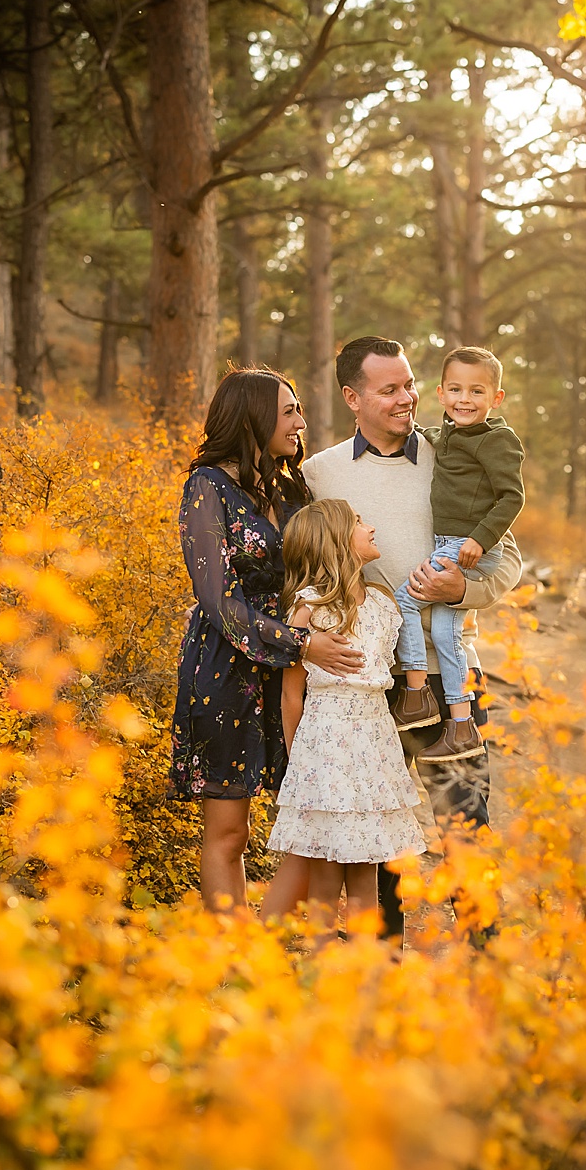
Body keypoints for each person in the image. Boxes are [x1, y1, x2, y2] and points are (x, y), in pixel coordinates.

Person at [301, 335, 523, 939]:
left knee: (465, 822)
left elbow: (508, 560)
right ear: (353, 397)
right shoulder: (318, 474)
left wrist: (463, 592)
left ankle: (487, 961)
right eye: (389, 389)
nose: (408, 398)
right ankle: (385, 963)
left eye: (410, 384)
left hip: (449, 672)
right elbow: (304, 567)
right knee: (379, 833)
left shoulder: (451, 453)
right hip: (368, 683)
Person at [168, 369, 365, 915]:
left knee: (304, 818)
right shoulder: (207, 487)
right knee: (229, 830)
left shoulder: (292, 488)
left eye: (299, 409)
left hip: (294, 675)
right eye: (289, 411)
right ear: (253, 416)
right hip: (226, 669)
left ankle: (273, 936)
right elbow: (217, 599)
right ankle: (228, 957)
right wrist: (300, 643)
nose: (301, 422)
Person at [264, 499, 424, 932]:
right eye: (358, 522)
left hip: (373, 747)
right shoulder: (309, 609)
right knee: (326, 869)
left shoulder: (382, 605)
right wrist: (300, 766)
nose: (371, 527)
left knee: (367, 864)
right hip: (325, 751)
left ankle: (363, 978)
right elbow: (290, 695)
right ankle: (320, 965)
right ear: (337, 543)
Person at [389, 346, 525, 764]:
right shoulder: (449, 434)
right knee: (448, 637)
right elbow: (437, 438)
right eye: (456, 390)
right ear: (442, 395)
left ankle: (415, 695)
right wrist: (425, 434)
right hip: (454, 541)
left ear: (496, 398)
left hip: (465, 544)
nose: (465, 399)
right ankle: (461, 724)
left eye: (477, 391)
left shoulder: (498, 440)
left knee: (404, 598)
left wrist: (480, 541)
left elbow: (512, 497)